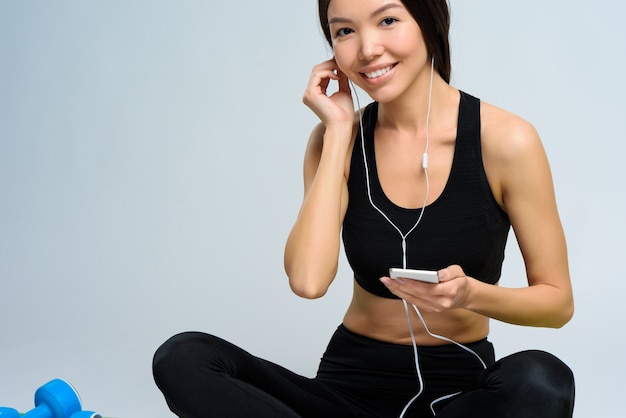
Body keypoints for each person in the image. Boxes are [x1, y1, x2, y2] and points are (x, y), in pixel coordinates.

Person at [152, 0, 576, 416]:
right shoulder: (334, 140)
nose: (367, 48)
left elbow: (557, 304)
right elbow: (308, 280)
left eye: (387, 20)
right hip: (346, 390)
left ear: (429, 20)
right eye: (345, 31)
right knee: (184, 357)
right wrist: (337, 132)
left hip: (459, 394)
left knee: (543, 378)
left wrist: (470, 294)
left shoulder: (506, 141)